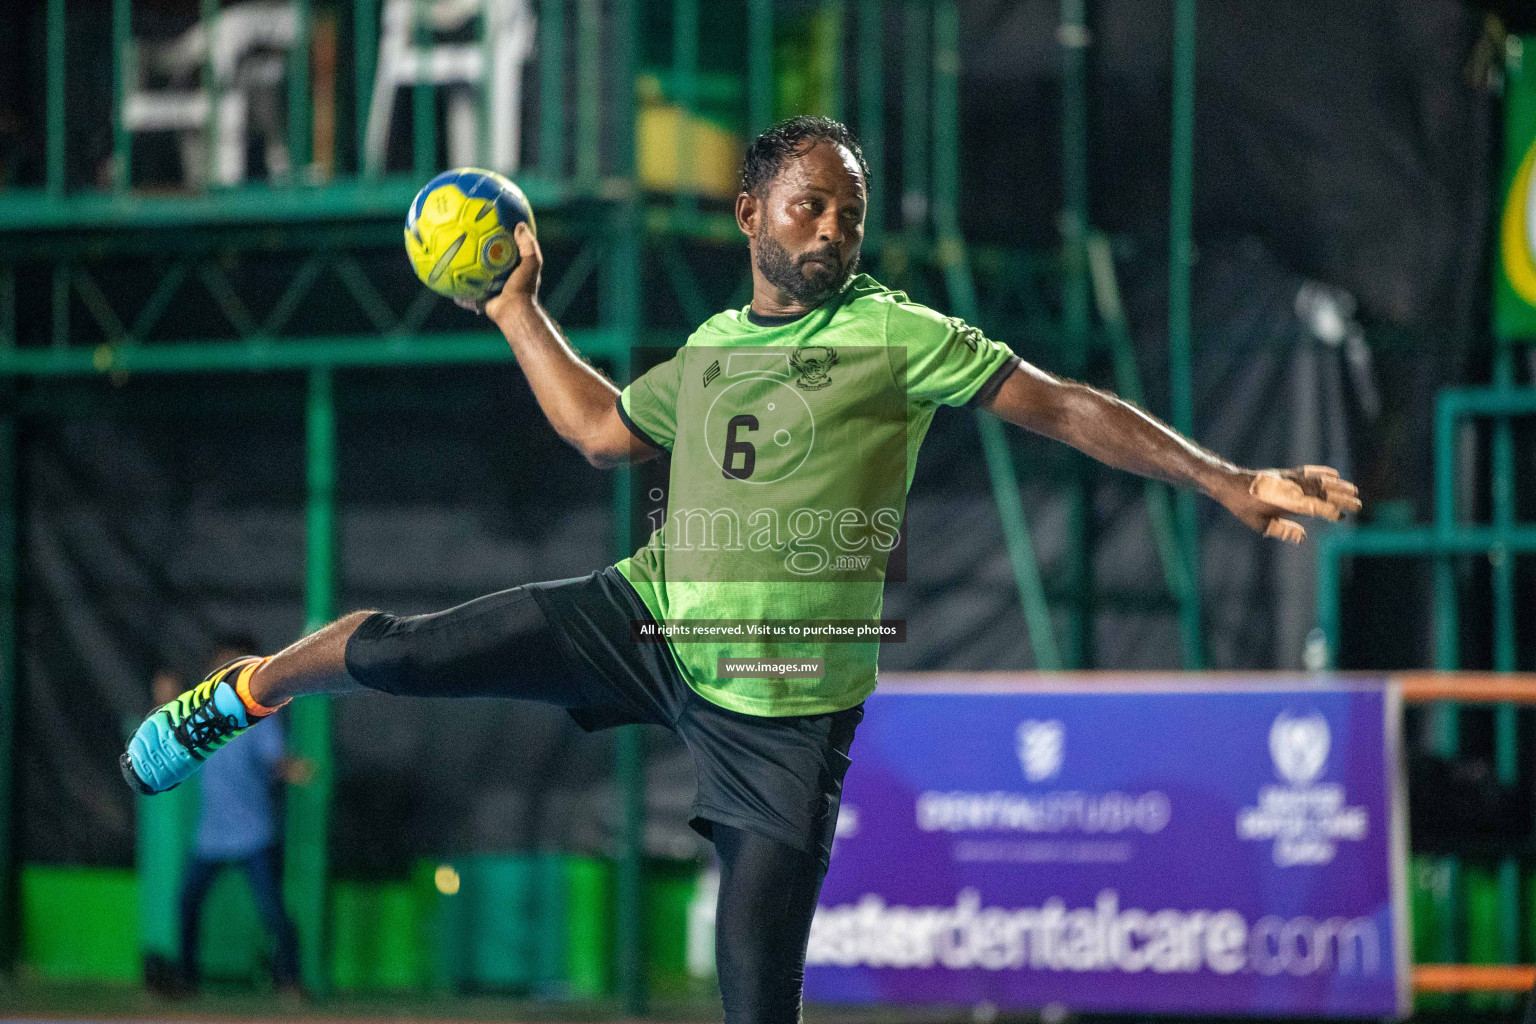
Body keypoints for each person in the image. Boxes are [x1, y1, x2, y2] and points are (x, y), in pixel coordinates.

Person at [122, 116, 1362, 1023]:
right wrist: (513, 310)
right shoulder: (713, 346)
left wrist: (1222, 478)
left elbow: (1065, 407)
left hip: (785, 707)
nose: (833, 227)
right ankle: (241, 694)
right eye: (809, 204)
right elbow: (603, 430)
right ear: (751, 215)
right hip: (649, 616)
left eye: (850, 211)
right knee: (398, 650)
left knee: (759, 1003)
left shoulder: (894, 332)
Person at [168, 638, 308, 996]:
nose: (224, 674)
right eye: (219, 667)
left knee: (272, 911)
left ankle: (290, 980)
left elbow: (278, 761)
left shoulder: (259, 718)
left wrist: (294, 769)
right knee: (187, 904)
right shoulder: (199, 716)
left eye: (233, 666)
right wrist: (164, 696)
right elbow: (169, 730)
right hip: (210, 836)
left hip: (253, 834)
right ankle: (185, 980)